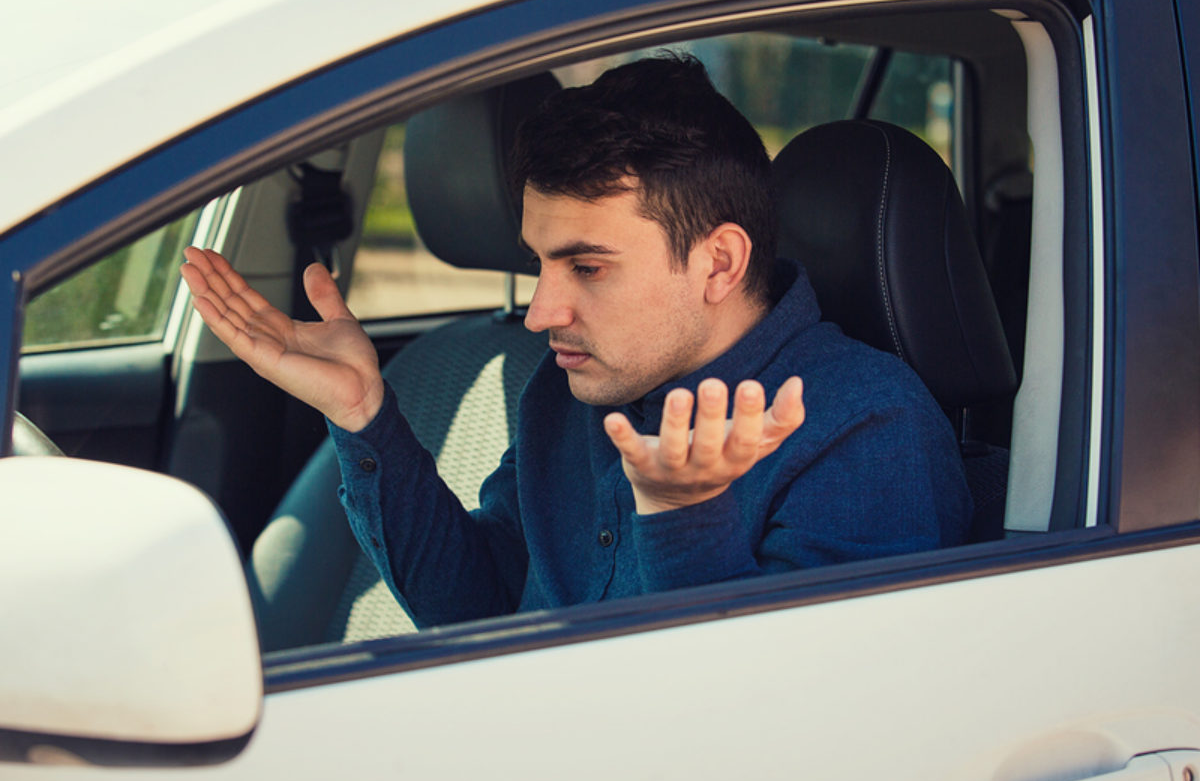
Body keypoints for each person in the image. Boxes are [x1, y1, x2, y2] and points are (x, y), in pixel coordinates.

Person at [181, 55, 970, 629]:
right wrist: (364, 416)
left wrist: (681, 518)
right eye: (539, 264)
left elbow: (769, 738)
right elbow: (476, 613)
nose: (540, 313)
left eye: (586, 266)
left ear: (718, 262)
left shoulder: (867, 429)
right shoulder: (573, 392)